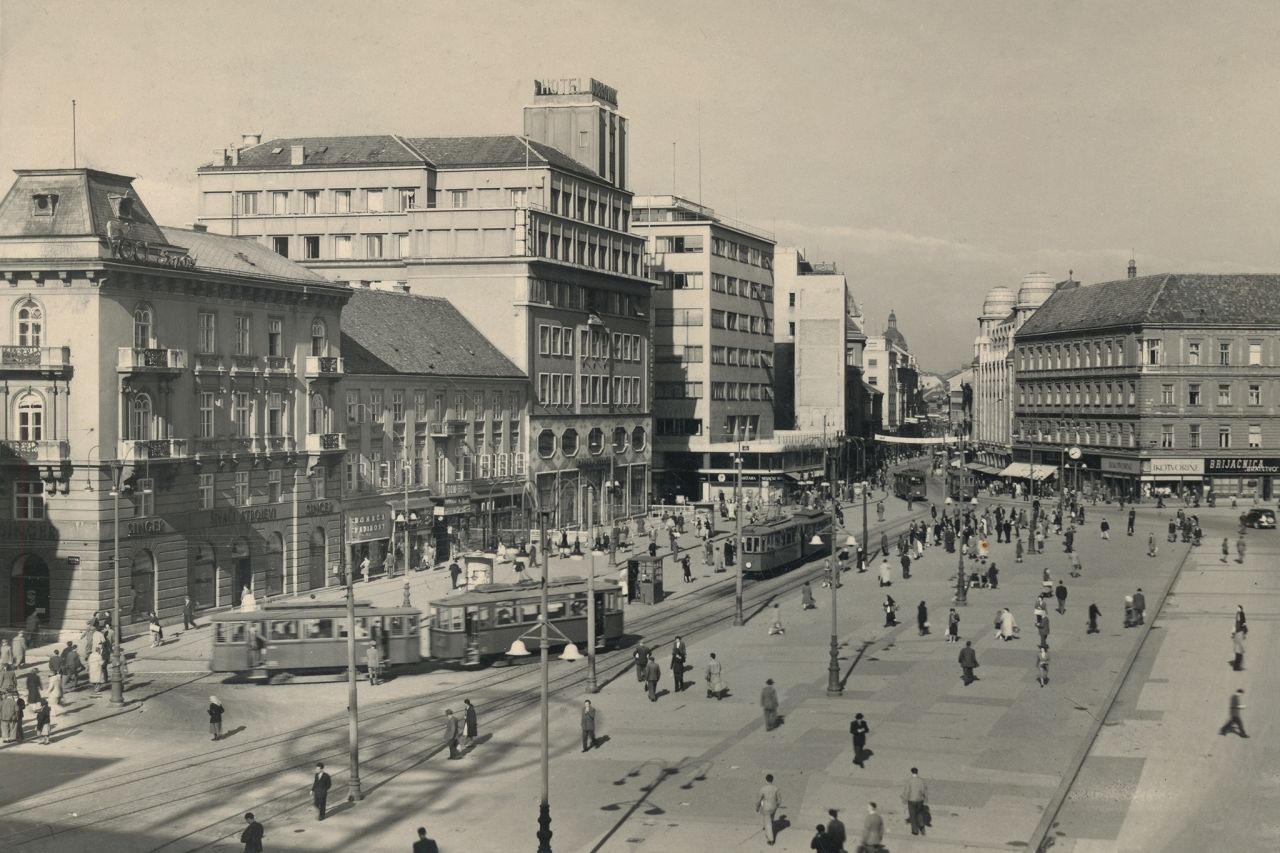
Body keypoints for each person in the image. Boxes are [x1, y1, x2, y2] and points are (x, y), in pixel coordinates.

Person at [902, 767, 929, 836]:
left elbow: (907, 791)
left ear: (911, 772)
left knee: (912, 815)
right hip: (920, 800)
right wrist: (925, 798)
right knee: (919, 814)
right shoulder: (921, 781)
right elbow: (924, 790)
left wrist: (904, 799)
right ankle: (922, 828)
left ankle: (915, 831)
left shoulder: (909, 781)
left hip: (911, 800)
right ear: (917, 772)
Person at [757, 773, 782, 845]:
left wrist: (757, 807)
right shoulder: (776, 788)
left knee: (768, 823)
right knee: (771, 818)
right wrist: (777, 805)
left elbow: (759, 800)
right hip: (774, 807)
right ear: (772, 780)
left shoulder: (763, 789)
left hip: (766, 807)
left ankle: (771, 840)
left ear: (766, 780)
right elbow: (779, 799)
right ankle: (767, 826)